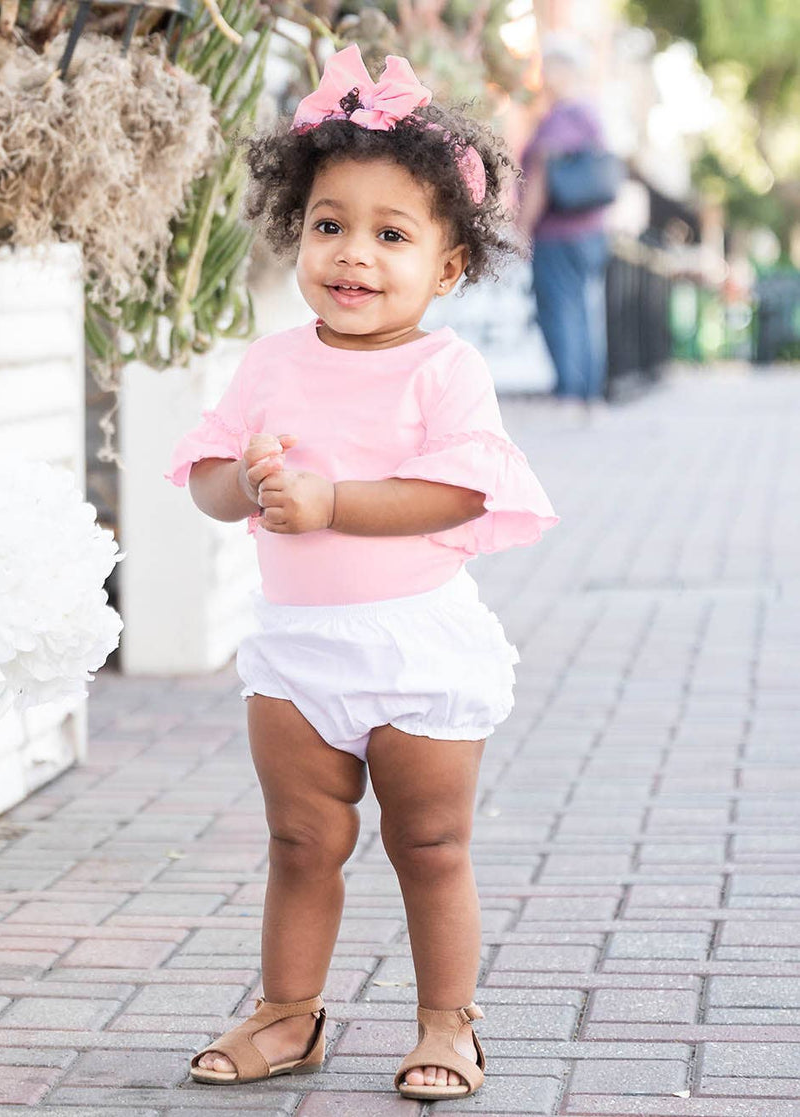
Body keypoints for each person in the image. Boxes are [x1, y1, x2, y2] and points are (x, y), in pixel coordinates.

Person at [163, 42, 559, 1102]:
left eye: (391, 235)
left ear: (448, 265)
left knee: (427, 841)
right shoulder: (270, 360)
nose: (353, 255)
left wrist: (334, 502)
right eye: (330, 225)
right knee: (300, 838)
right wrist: (242, 487)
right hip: (297, 651)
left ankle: (445, 1023)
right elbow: (203, 473)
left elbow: (461, 494)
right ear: (300, 230)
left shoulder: (444, 369)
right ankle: (286, 1013)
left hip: (412, 643)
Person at [517, 33, 611, 417]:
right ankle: (588, 393)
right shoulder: (588, 115)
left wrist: (522, 226)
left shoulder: (565, 116)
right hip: (590, 232)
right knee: (586, 311)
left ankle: (573, 393)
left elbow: (540, 175)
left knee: (561, 310)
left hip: (560, 234)